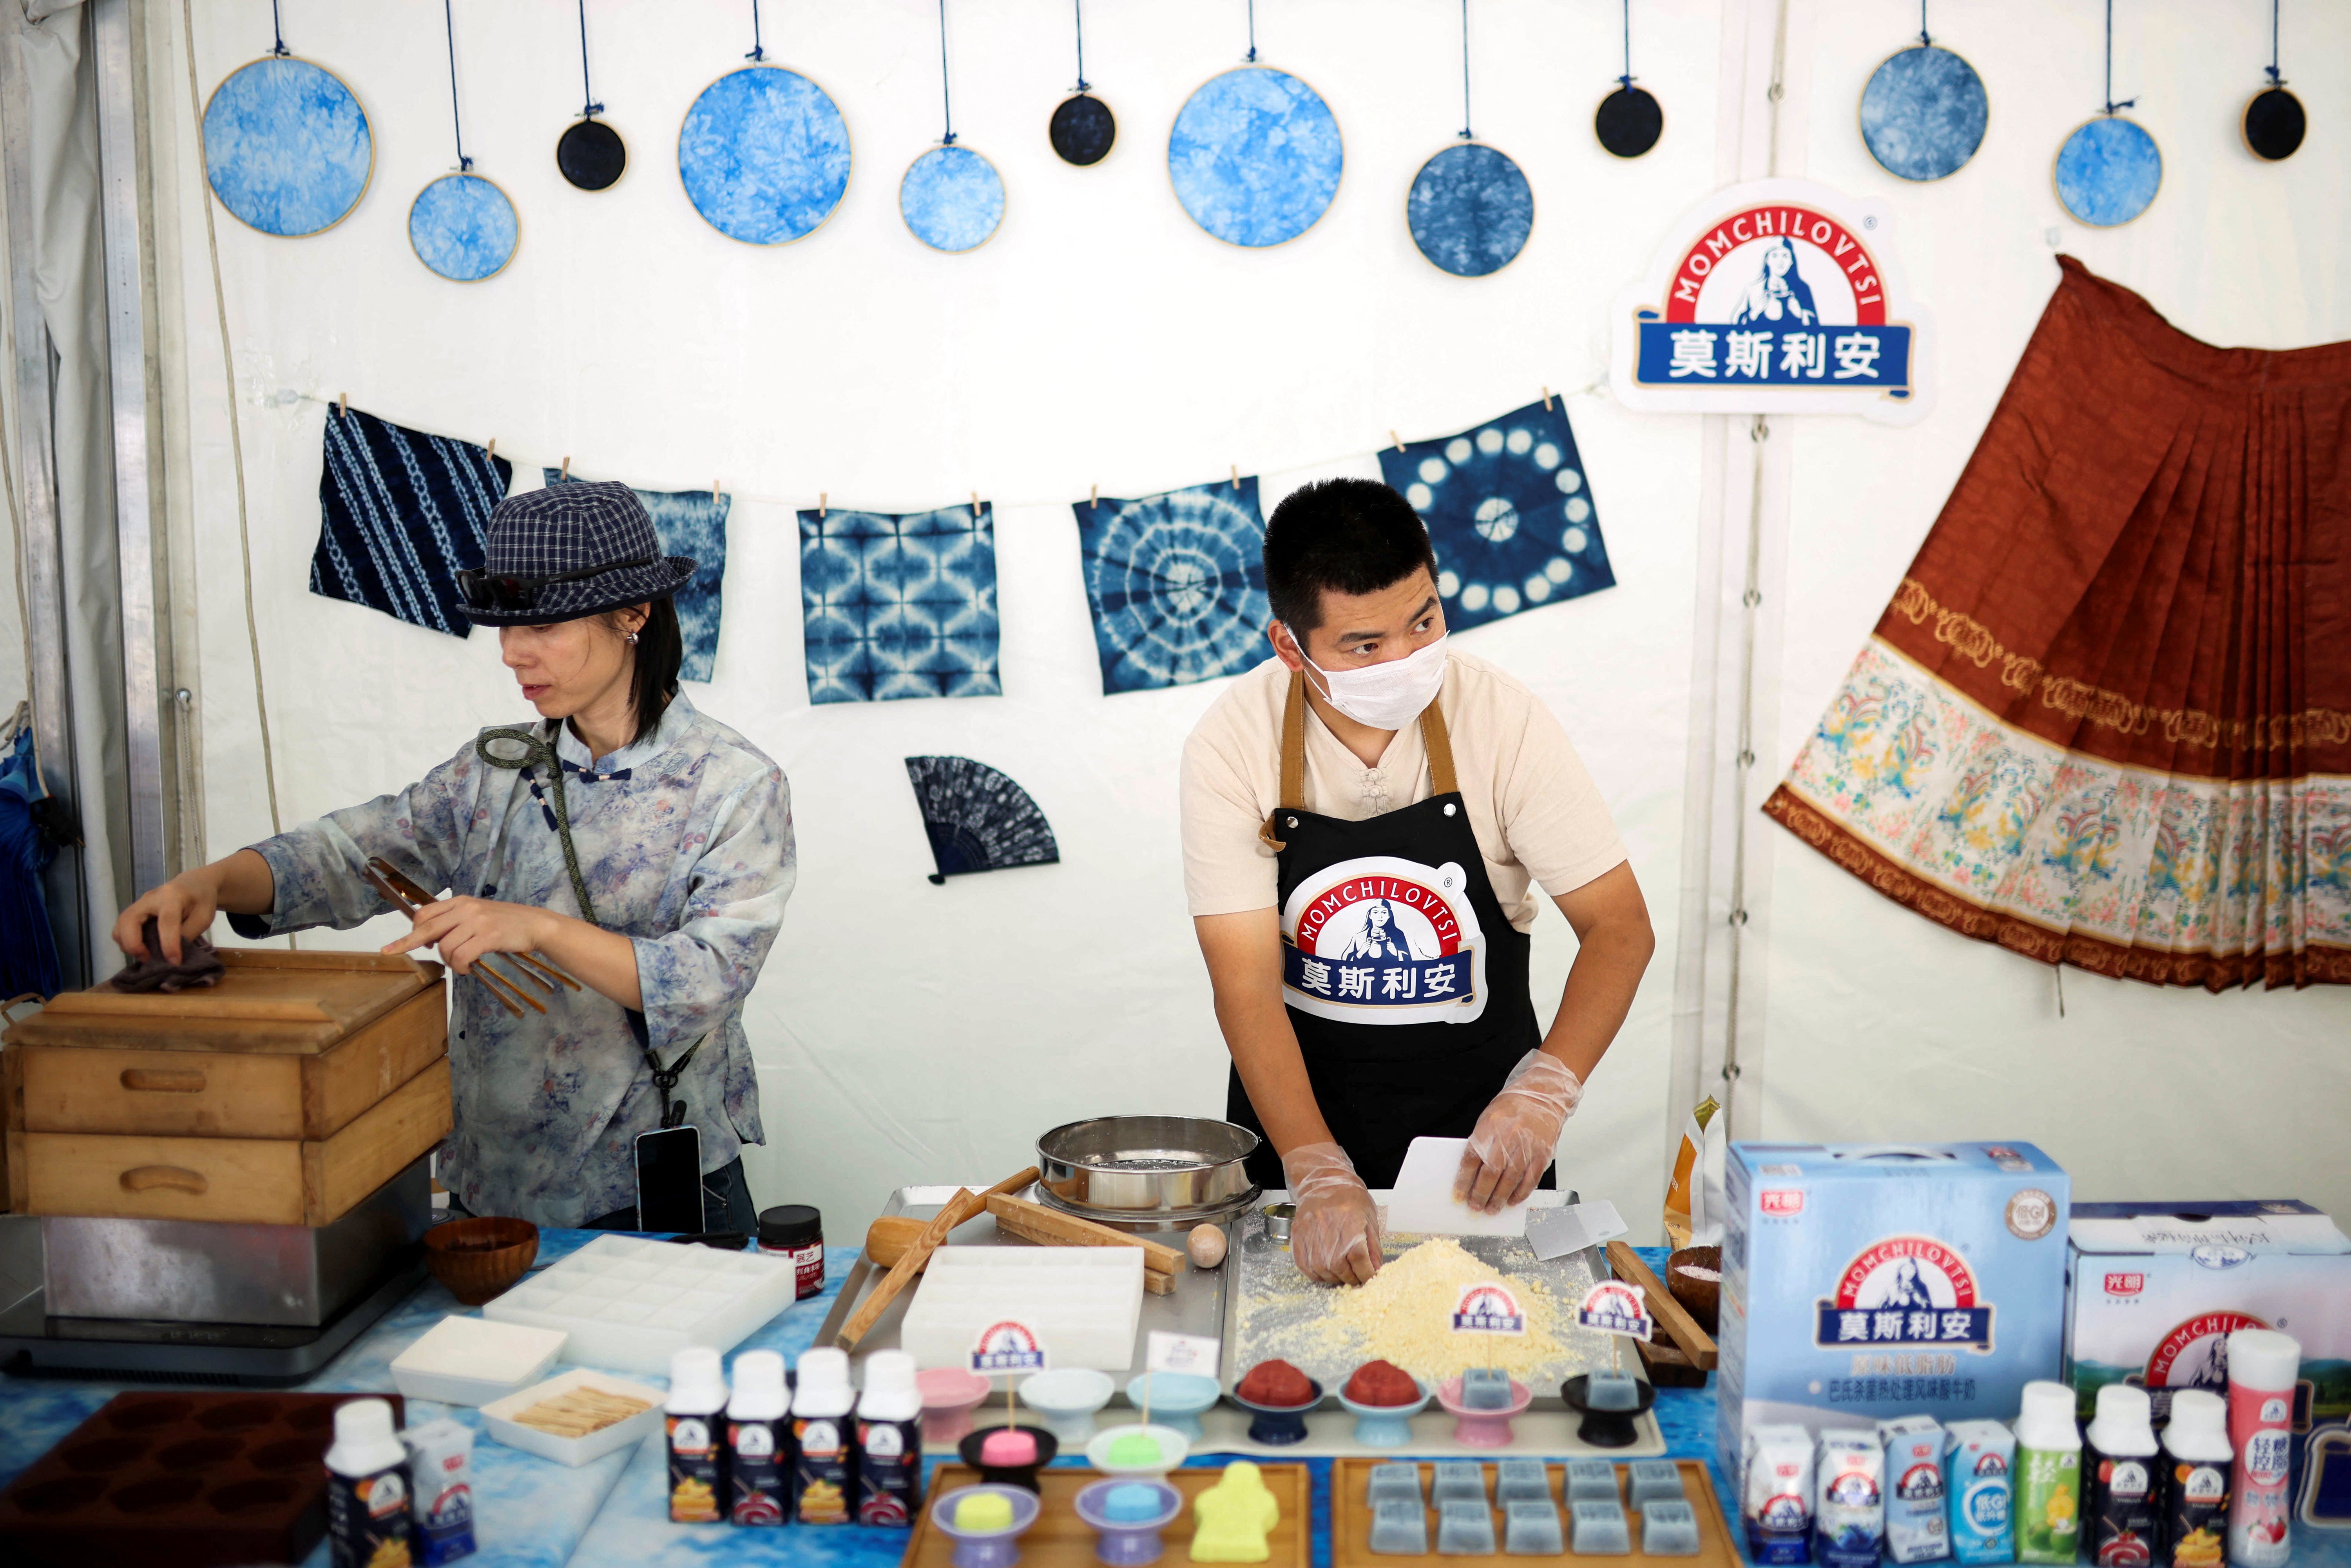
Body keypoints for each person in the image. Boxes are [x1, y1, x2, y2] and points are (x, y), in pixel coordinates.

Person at [112, 482, 794, 1231]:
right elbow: (350, 854)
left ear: (634, 614)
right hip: (488, 1186)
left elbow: (708, 978)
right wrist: (212, 883)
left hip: (652, 1185)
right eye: (505, 626)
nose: (511, 652)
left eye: (542, 625)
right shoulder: (496, 770)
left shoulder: (732, 784)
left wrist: (536, 928)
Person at [1182, 478, 1652, 1285]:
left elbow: (1619, 928)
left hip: (1477, 1160)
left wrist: (1544, 1095)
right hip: (1300, 1138)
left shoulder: (1503, 720)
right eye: (1365, 647)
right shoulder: (1232, 744)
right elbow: (1246, 984)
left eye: (1425, 621)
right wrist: (1314, 1167)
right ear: (1290, 646)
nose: (1406, 660)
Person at [1730, 235, 1818, 327]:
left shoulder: (1802, 290)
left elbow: (1819, 331)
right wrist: (1754, 314)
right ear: (1767, 260)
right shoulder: (1753, 290)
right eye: (1775, 256)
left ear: (1792, 261)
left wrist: (1801, 314)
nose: (1780, 262)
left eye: (1785, 256)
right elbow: (1734, 326)